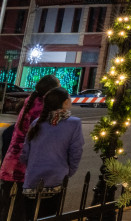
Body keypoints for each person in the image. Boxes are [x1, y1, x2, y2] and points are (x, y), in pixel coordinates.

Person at [0, 75, 60, 220]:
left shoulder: (30, 103)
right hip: (27, 170)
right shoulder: (43, 109)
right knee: (24, 212)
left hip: (11, 166)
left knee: (9, 209)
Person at [19, 87, 83, 220]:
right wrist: (67, 171)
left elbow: (25, 153)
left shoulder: (37, 122)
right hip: (55, 181)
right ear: (65, 103)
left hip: (31, 183)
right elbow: (76, 152)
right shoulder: (74, 123)